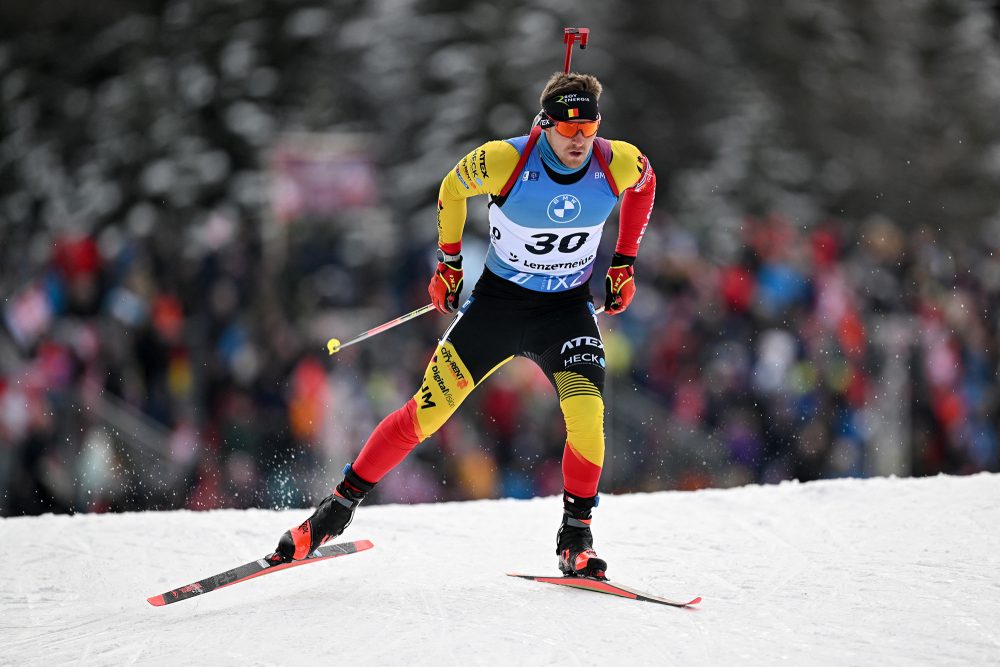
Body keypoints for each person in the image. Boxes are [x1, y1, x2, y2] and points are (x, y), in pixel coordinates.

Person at [271, 71, 656, 579]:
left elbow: (645, 185)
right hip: (497, 308)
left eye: (588, 125)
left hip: (565, 312)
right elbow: (452, 188)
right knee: (424, 416)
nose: (579, 138)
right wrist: (449, 265)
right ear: (545, 125)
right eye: (567, 128)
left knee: (589, 423)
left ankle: (576, 539)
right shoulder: (508, 160)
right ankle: (331, 513)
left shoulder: (617, 160)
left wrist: (624, 263)